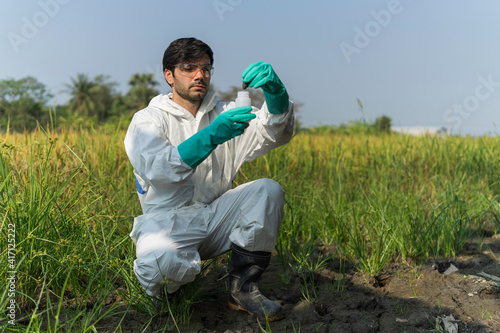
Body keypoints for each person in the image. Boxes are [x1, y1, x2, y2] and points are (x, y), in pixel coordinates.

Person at [124, 37, 294, 321]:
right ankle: (169, 293)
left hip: (215, 217)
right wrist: (212, 135)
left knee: (267, 189)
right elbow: (160, 172)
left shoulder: (226, 114)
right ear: (169, 75)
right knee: (159, 266)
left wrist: (276, 91)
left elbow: (273, 132)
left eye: (206, 68)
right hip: (167, 225)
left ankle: (243, 289)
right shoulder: (148, 120)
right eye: (189, 68)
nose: (200, 75)